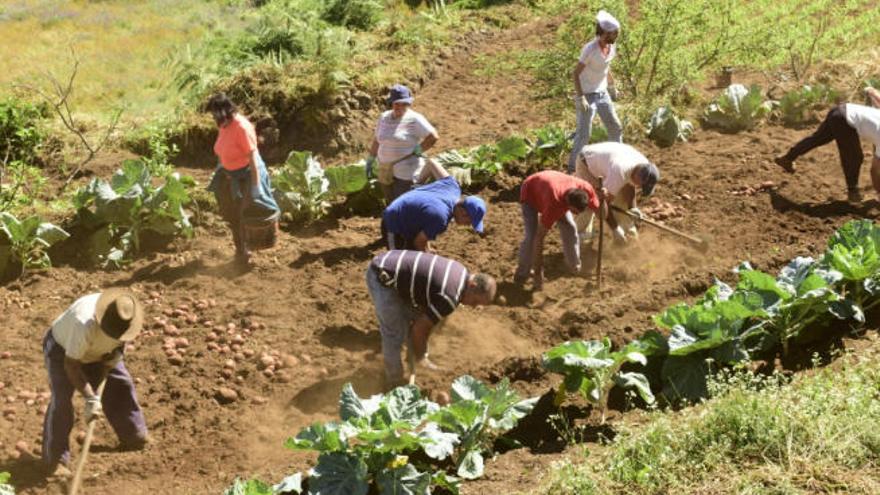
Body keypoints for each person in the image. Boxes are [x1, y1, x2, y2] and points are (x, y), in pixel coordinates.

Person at [41, 289, 149, 478]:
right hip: (62, 351)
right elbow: (71, 365)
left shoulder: (126, 317)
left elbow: (120, 344)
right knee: (62, 400)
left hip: (99, 354)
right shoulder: (84, 323)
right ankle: (55, 460)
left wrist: (112, 361)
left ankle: (134, 435)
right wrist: (91, 398)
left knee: (121, 384)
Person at [366, 250, 496, 388]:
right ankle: (394, 380)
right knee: (394, 333)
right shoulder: (450, 297)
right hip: (382, 276)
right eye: (475, 301)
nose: (473, 306)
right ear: (472, 285)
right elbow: (418, 329)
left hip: (390, 262)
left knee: (420, 319)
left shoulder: (461, 271)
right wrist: (421, 358)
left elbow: (422, 317)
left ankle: (412, 357)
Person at [206, 93, 280, 266]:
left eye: (214, 114)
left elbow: (253, 157)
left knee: (246, 214)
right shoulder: (224, 125)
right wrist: (222, 167)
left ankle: (248, 251)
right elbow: (223, 148)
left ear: (223, 111)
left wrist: (256, 187)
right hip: (230, 175)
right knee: (232, 214)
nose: (213, 118)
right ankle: (240, 251)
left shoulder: (241, 127)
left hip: (248, 174)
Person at [774, 87, 880, 203]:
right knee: (854, 157)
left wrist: (873, 93)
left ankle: (788, 158)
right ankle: (853, 192)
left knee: (817, 139)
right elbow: (874, 170)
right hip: (844, 120)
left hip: (839, 110)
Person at [514, 170, 610, 290]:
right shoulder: (554, 204)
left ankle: (574, 267)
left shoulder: (587, 189)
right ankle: (522, 273)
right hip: (530, 191)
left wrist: (603, 199)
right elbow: (539, 237)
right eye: (574, 211)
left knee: (570, 228)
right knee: (531, 236)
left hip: (552, 184)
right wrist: (538, 272)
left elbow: (603, 216)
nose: (576, 214)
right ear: (568, 204)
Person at [381, 158, 487, 251]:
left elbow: (431, 163)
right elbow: (419, 243)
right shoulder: (441, 218)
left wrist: (417, 184)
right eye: (469, 221)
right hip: (393, 220)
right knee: (397, 261)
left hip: (410, 213)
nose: (468, 225)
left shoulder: (452, 186)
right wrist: (428, 256)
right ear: (463, 212)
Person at [568, 9, 624, 173]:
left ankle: (617, 159)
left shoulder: (611, 47)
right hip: (587, 95)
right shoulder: (590, 49)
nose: (616, 36)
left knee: (615, 127)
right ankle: (572, 168)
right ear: (606, 33)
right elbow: (576, 73)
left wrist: (612, 86)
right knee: (584, 134)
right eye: (614, 33)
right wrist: (580, 98)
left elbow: (606, 67)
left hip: (602, 93)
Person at [366, 84, 439, 202]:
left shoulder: (414, 119)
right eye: (396, 103)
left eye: (404, 104)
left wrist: (419, 150)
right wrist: (371, 158)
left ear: (408, 103)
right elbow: (377, 140)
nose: (400, 106)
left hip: (406, 172)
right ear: (392, 102)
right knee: (391, 204)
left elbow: (433, 136)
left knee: (403, 204)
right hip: (385, 170)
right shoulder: (384, 117)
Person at [574, 142, 660, 242]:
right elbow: (603, 205)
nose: (639, 187)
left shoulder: (643, 166)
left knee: (623, 202)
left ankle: (627, 237)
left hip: (606, 165)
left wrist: (633, 208)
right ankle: (578, 239)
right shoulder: (619, 172)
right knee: (589, 202)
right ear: (637, 176)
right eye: (641, 185)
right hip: (587, 164)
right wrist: (615, 228)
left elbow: (630, 184)